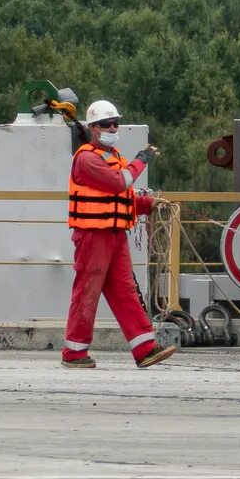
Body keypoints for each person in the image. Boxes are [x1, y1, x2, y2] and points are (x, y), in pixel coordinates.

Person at [64, 98, 174, 369]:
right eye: (106, 124)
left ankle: (145, 348)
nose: (112, 127)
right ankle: (74, 353)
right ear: (93, 128)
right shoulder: (87, 159)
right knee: (86, 292)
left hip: (114, 235)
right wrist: (141, 160)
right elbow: (117, 183)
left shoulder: (112, 159)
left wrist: (149, 204)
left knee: (125, 290)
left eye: (115, 123)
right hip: (92, 236)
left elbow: (121, 197)